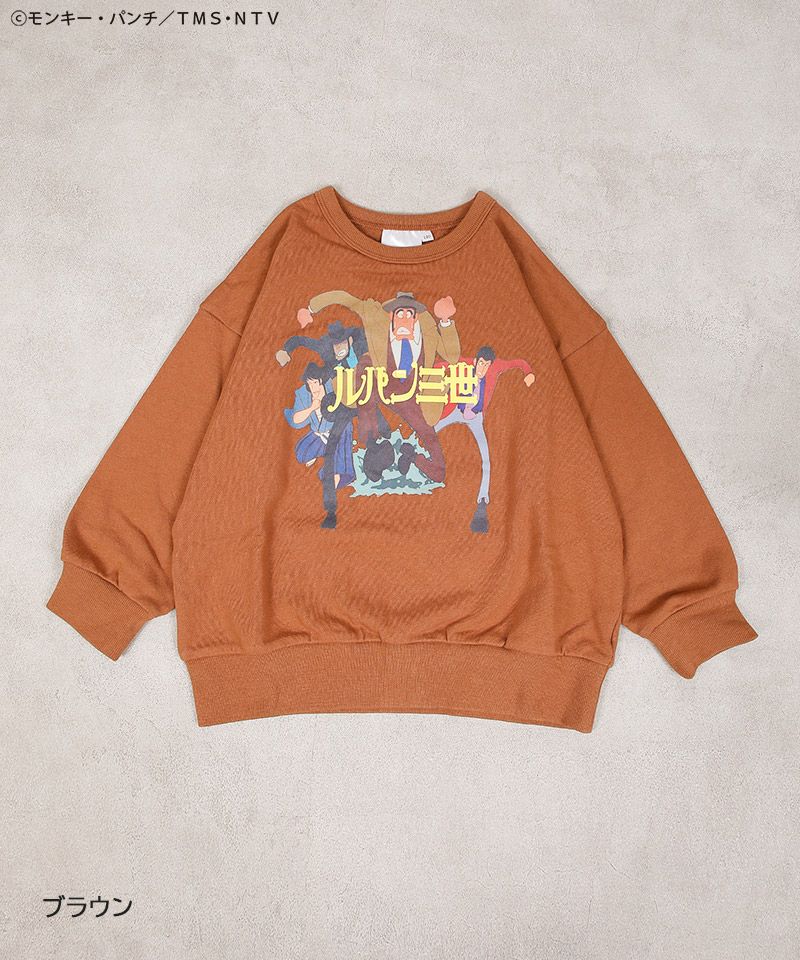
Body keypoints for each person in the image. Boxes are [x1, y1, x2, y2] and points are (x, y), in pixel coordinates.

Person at [435, 345, 535, 533]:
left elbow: (518, 362)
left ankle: (482, 501)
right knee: (430, 431)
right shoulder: (465, 364)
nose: (483, 369)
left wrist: (528, 372)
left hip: (476, 417)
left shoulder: (495, 367)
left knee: (486, 458)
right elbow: (443, 364)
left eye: (487, 365)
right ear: (475, 361)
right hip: (456, 410)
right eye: (481, 364)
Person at [283, 362, 355, 492]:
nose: (313, 387)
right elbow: (296, 419)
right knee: (301, 454)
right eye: (310, 384)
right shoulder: (303, 394)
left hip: (338, 431)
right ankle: (329, 451)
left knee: (345, 427)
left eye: (315, 382)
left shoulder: (332, 385)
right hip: (319, 433)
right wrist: (312, 407)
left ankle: (337, 472)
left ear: (321, 380)